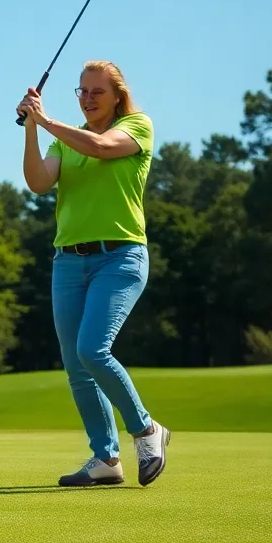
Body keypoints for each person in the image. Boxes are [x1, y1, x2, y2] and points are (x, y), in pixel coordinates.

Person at [16, 60, 170, 487]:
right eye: (81, 91)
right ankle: (106, 459)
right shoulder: (65, 143)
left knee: (93, 349)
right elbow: (38, 182)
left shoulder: (138, 126)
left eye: (96, 92)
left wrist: (45, 120)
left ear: (117, 96)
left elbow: (100, 148)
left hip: (119, 257)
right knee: (76, 365)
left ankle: (146, 430)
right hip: (67, 261)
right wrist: (31, 127)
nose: (87, 98)